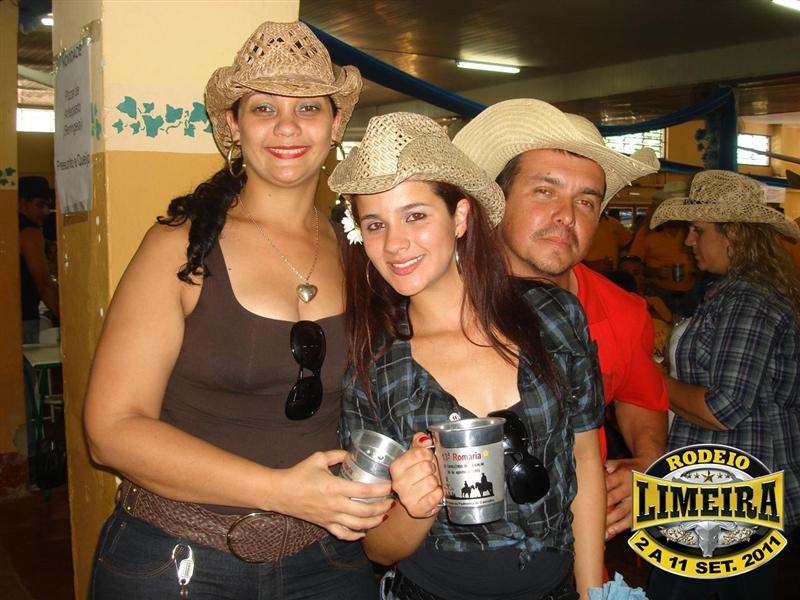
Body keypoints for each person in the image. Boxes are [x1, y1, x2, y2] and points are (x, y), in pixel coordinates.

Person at [84, 21, 392, 600]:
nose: (287, 126)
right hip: (180, 558)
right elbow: (112, 430)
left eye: (308, 107)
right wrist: (279, 491)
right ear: (233, 124)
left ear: (335, 125)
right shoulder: (180, 247)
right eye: (263, 108)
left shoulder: (362, 250)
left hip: (326, 558)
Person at [329, 112, 605, 600]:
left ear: (459, 217)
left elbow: (584, 457)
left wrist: (593, 593)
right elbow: (378, 549)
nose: (395, 244)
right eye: (375, 224)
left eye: (416, 215)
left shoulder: (554, 315)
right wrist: (416, 507)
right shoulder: (375, 368)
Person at [452, 98, 668, 540]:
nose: (566, 217)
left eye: (586, 201)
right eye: (545, 191)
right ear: (496, 200)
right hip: (457, 547)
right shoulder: (439, 299)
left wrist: (648, 463)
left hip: (575, 544)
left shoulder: (622, 311)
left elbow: (642, 397)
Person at [646, 170, 800, 600]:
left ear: (732, 233)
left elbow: (722, 408)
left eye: (698, 230)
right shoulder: (740, 292)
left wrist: (651, 377)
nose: (688, 241)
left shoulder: (747, 299)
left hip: (730, 492)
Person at [18, 176, 59, 343]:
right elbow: (43, 283)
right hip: (24, 319)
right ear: (22, 203)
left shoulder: (8, 227)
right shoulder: (29, 233)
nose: (46, 212)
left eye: (47, 205)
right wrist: (66, 318)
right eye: (40, 205)